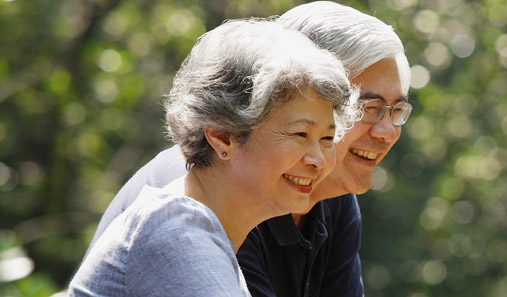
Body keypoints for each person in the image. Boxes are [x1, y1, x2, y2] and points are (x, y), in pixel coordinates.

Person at [84, 2, 412, 296]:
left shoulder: (220, 221)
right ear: (224, 136)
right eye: (300, 132)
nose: (317, 159)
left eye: (328, 137)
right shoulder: (180, 223)